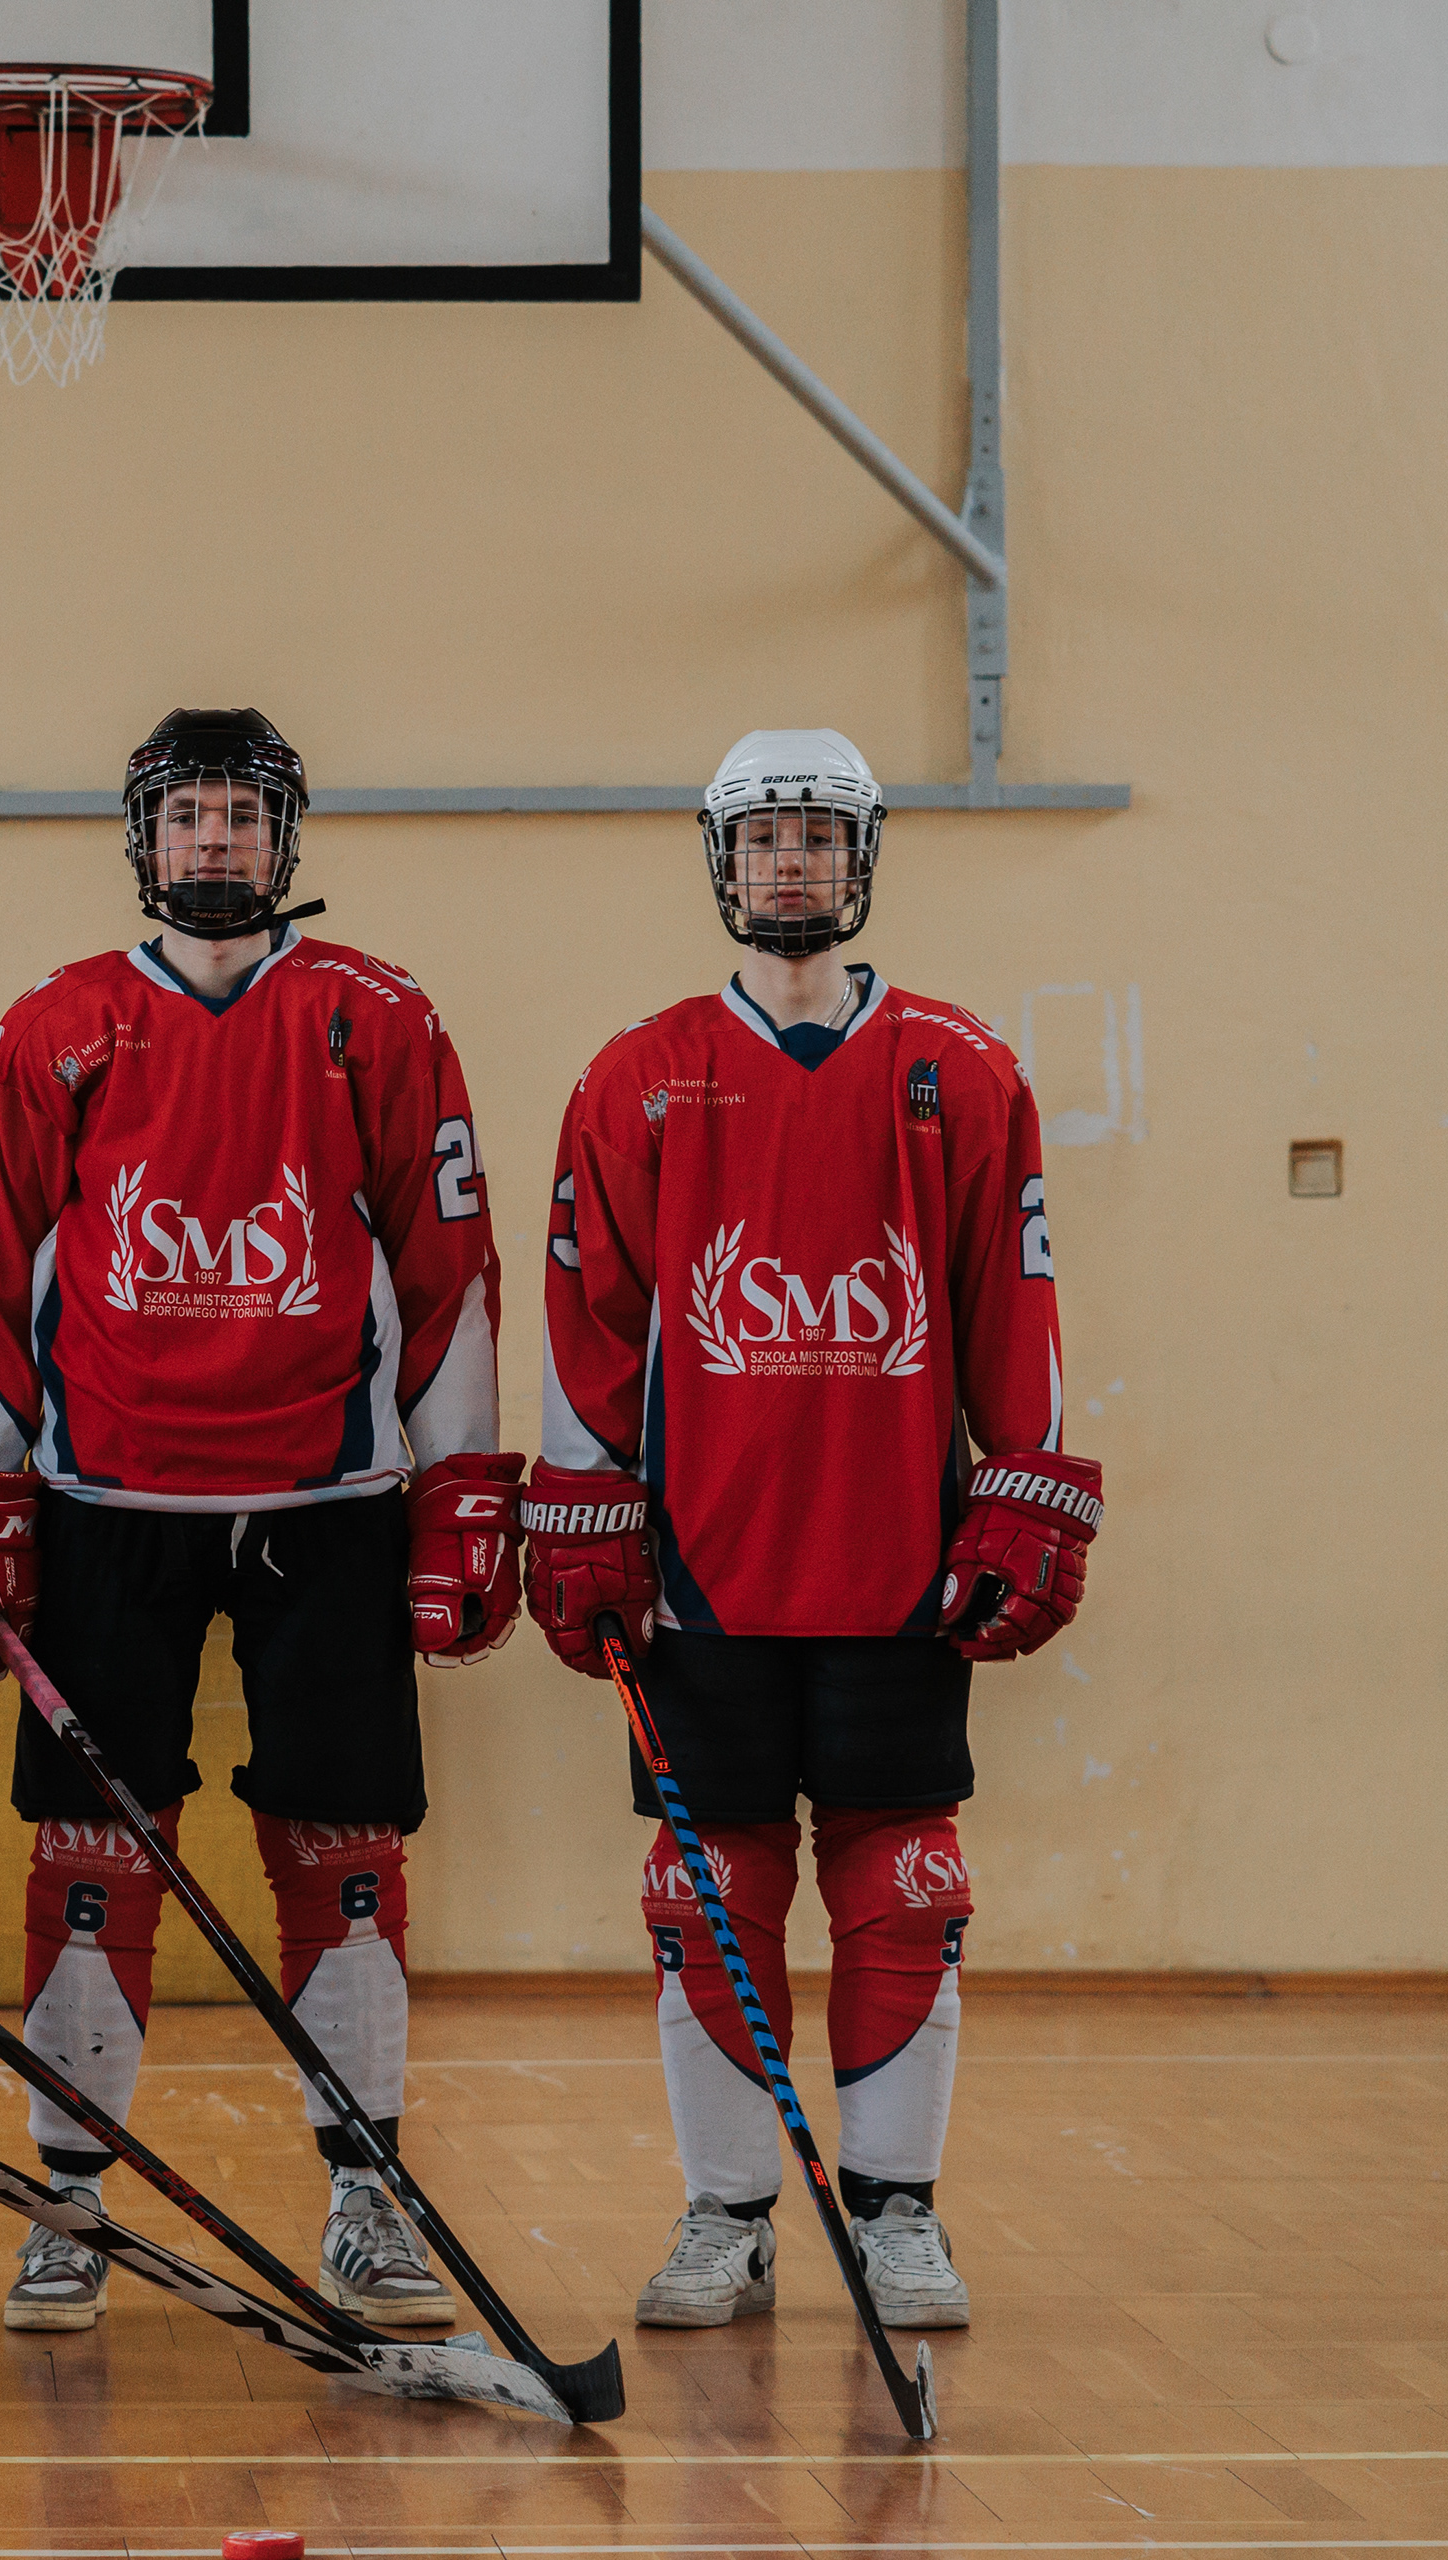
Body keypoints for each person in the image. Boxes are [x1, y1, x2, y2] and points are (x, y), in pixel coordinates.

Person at [0, 708, 523, 2334]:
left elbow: (446, 1257)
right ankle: (70, 2203)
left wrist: (462, 1481)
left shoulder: (376, 1018)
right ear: (144, 840)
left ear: (284, 842)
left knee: (342, 1845)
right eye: (185, 817)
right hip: (105, 1500)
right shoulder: (57, 1026)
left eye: (239, 820)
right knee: (91, 1850)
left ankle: (369, 2192)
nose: (212, 845)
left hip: (326, 1498)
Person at [523, 727, 1100, 2335]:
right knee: (705, 1889)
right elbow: (592, 1317)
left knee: (906, 1883)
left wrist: (1025, 1482)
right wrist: (583, 1513)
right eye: (765, 836)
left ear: (863, 861)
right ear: (722, 859)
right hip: (704, 1573)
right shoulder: (635, 1077)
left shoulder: (964, 1068)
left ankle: (899, 2214)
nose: (791, 862)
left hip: (893, 1564)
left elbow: (1017, 1300)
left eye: (819, 837)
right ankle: (726, 2217)